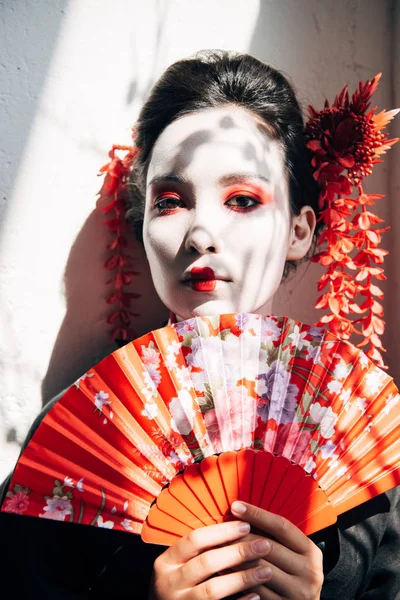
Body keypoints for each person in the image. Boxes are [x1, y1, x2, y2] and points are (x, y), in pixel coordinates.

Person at [1, 50, 399, 600]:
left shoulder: (366, 445)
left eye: (242, 199)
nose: (201, 233)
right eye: (170, 202)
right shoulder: (70, 447)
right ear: (142, 229)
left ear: (300, 232)